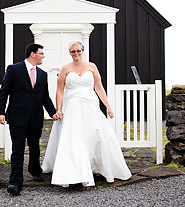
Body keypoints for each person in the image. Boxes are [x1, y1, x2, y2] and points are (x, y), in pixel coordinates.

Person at [42, 41, 132, 187]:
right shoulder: (65, 69)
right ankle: (73, 173)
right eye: (73, 51)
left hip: (90, 105)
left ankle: (96, 167)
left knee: (94, 135)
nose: (76, 53)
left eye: (78, 50)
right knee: (74, 138)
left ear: (82, 51)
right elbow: (59, 90)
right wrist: (58, 109)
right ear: (69, 53)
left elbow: (99, 87)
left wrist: (108, 106)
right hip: (71, 106)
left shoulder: (92, 66)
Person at [0, 43, 60, 196]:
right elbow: (3, 92)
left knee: (34, 146)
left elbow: (45, 97)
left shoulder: (43, 74)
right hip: (17, 116)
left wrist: (53, 113)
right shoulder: (14, 69)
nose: (43, 56)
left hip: (36, 117)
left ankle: (35, 171)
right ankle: (15, 182)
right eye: (41, 53)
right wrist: (0, 112)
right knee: (17, 149)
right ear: (32, 54)